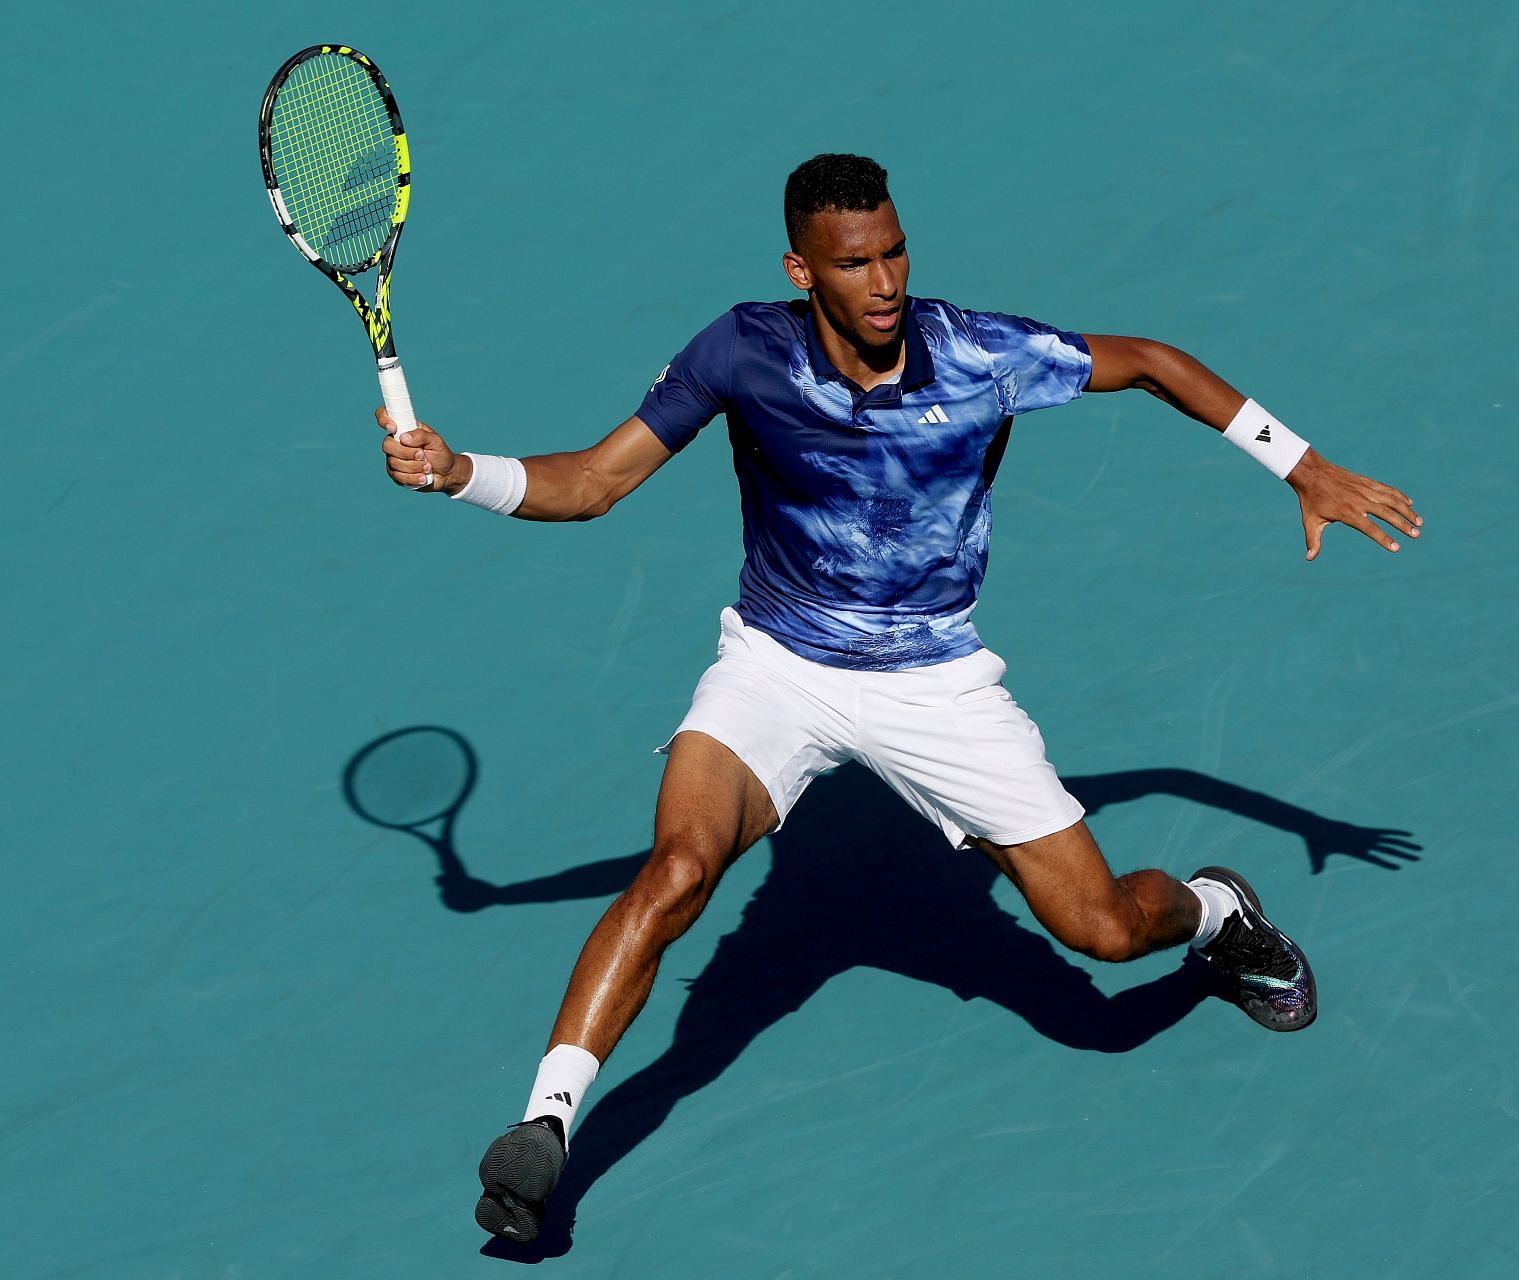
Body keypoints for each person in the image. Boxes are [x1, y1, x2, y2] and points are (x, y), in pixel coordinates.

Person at [374, 154, 1421, 1244]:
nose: (883, 281)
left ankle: (1218, 910)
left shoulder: (981, 353)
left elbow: (1152, 362)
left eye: (894, 251)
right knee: (676, 869)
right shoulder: (742, 349)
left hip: (933, 681)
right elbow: (593, 481)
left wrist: (1298, 464)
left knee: (1104, 932)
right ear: (801, 270)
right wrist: (461, 473)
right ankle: (545, 1125)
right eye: (854, 262)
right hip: (779, 664)